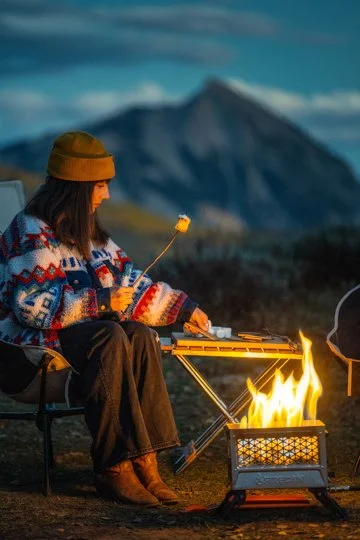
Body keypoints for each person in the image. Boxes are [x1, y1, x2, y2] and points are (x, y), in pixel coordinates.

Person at [0, 131, 209, 507]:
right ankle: (113, 468)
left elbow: (131, 282)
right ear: (77, 188)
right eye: (101, 185)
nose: (107, 195)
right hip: (26, 354)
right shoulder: (29, 231)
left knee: (139, 334)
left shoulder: (92, 239)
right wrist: (99, 301)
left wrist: (183, 309)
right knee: (110, 335)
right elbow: (30, 307)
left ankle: (146, 461)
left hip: (79, 346)